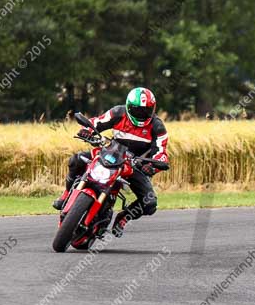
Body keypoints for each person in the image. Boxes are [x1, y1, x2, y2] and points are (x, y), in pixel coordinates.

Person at [52, 87, 170, 237]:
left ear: (152, 109)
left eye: (146, 111)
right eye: (137, 110)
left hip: (133, 166)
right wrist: (87, 130)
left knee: (150, 203)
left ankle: (123, 218)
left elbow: (161, 154)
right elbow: (98, 122)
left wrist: (152, 166)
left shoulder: (157, 126)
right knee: (76, 160)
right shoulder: (118, 112)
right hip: (110, 153)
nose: (142, 115)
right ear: (128, 107)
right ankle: (65, 195)